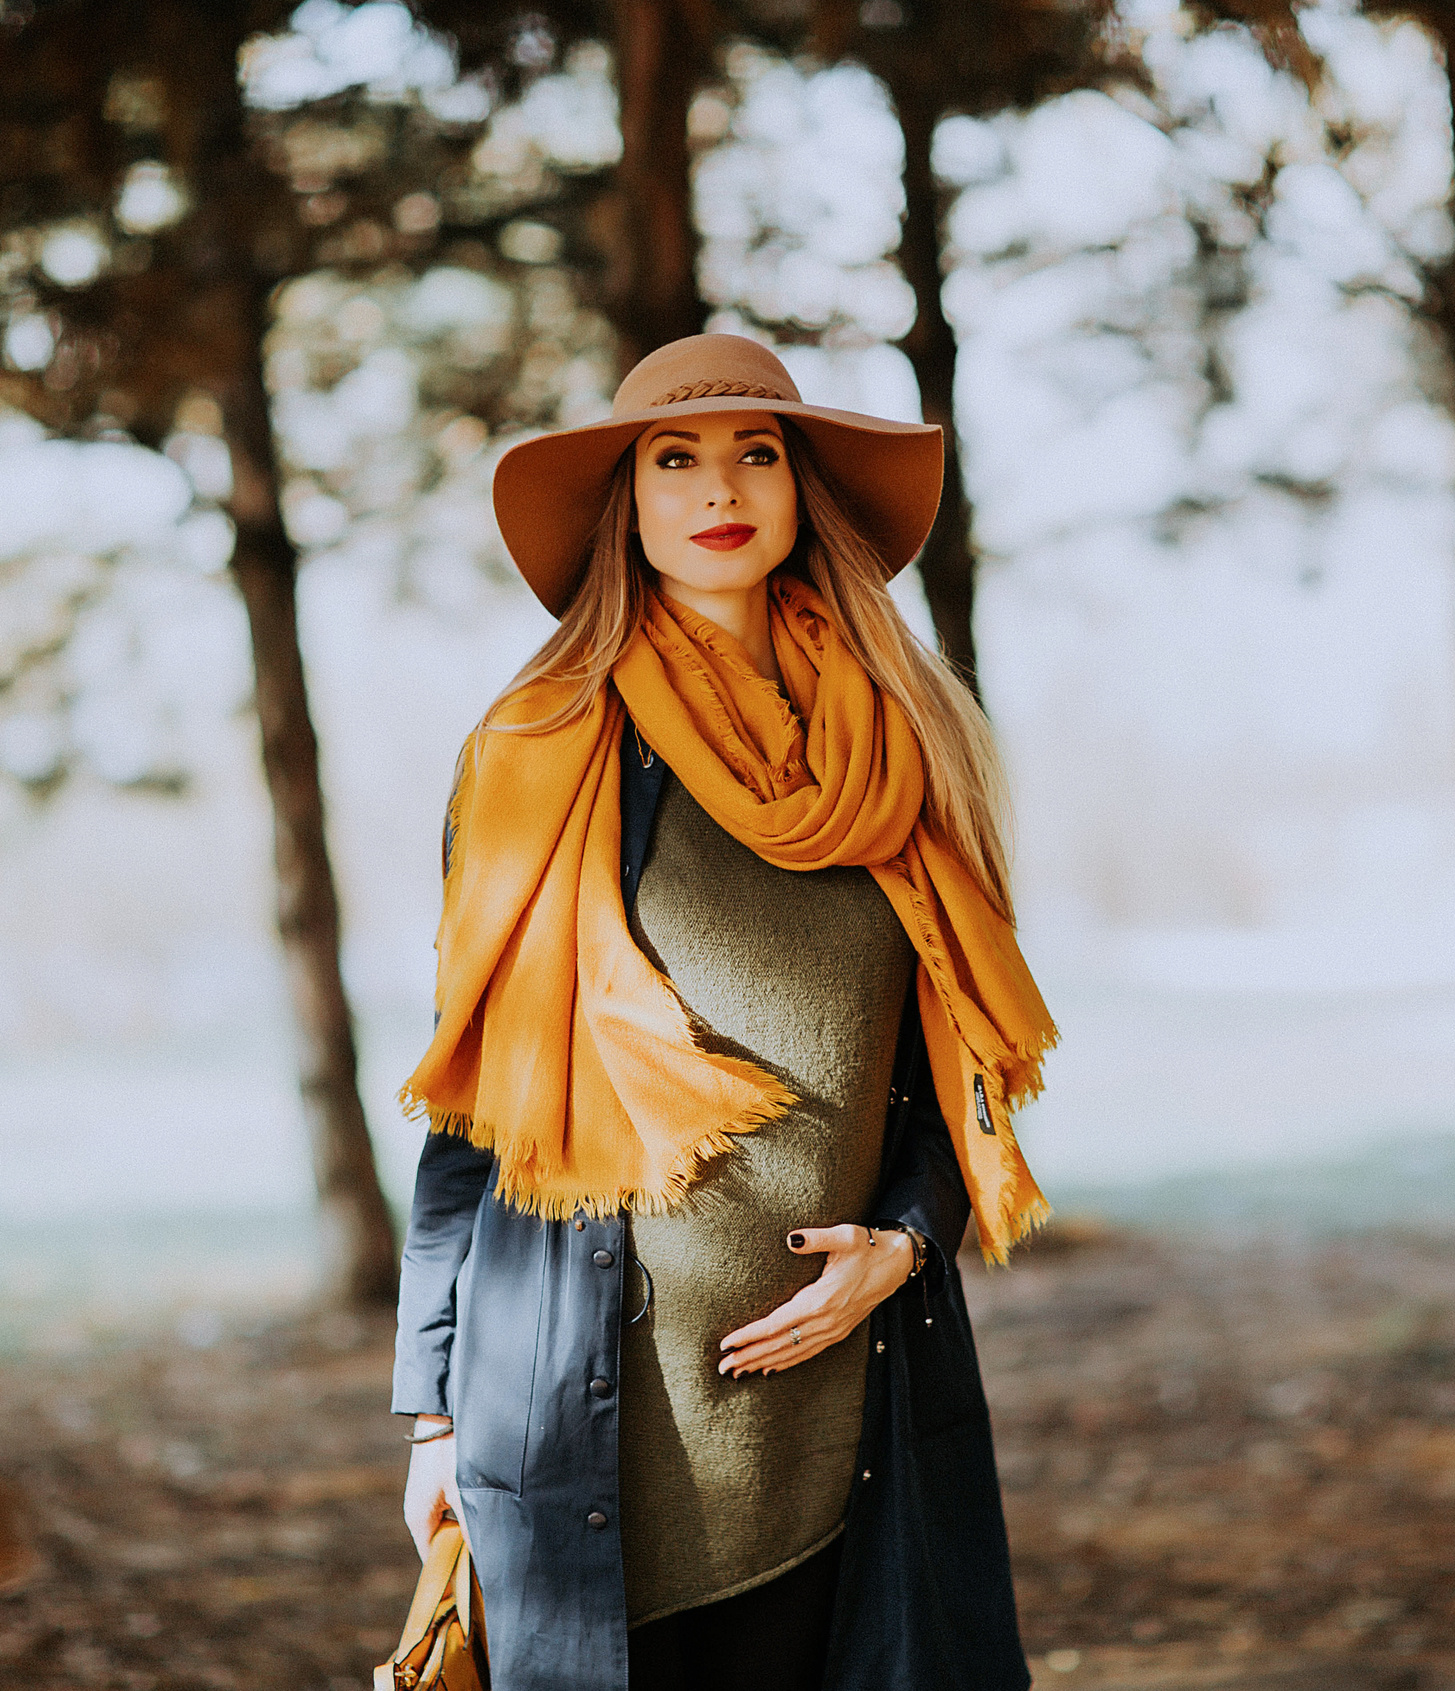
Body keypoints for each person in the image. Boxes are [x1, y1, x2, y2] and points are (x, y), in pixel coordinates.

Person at [392, 333, 1056, 1691]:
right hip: (579, 1409)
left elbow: (944, 1075)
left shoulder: (908, 747)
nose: (720, 488)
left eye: (758, 453)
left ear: (802, 489)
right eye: (674, 460)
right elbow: (475, 1107)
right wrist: (432, 1415)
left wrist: (906, 1244)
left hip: (844, 1409)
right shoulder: (536, 747)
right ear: (625, 506)